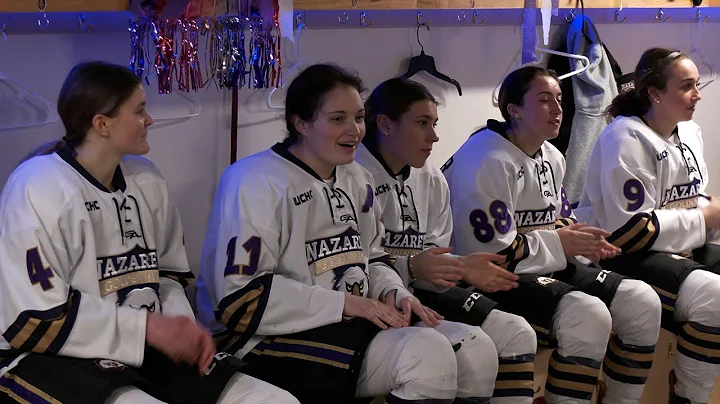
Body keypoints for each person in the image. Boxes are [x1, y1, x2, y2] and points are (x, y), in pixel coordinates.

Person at [0, 61, 299, 404]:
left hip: (142, 346)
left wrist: (181, 328)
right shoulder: (38, 186)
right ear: (102, 124)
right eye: (140, 110)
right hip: (54, 355)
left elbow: (171, 275)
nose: (150, 120)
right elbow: (34, 320)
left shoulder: (147, 178)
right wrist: (148, 329)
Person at [194, 63, 460, 403]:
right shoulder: (254, 181)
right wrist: (346, 304)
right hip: (256, 338)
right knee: (425, 355)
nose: (355, 130)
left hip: (342, 321)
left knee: (471, 351)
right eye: (338, 119)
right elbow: (240, 302)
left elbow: (373, 258)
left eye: (359, 117)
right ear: (301, 123)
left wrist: (396, 293)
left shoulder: (357, 177)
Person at [442, 65, 662, 404]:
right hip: (487, 277)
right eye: (544, 100)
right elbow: (490, 256)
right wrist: (561, 242)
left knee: (641, 301)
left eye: (559, 99)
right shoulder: (485, 158)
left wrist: (583, 238)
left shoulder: (551, 155)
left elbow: (556, 221)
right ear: (513, 110)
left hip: (541, 263)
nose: (558, 109)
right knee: (587, 316)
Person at [357, 77, 537, 404]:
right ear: (384, 124)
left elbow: (432, 262)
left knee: (517, 333)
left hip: (418, 291)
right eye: (422, 123)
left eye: (435, 124)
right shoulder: (354, 175)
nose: (434, 136)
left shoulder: (431, 176)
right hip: (373, 301)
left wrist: (460, 268)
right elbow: (358, 265)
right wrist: (411, 268)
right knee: (472, 347)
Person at [575, 47, 720, 404]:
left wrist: (708, 219)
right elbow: (631, 231)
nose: (697, 95)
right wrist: (705, 218)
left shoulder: (690, 131)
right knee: (716, 296)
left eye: (697, 85)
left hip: (675, 250)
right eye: (686, 86)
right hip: (618, 255)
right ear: (655, 93)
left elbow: (694, 200)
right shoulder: (625, 137)